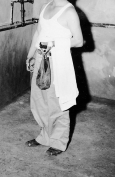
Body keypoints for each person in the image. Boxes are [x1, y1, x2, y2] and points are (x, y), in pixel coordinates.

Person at [26, 0, 83, 156]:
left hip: (57, 61)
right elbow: (38, 33)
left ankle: (58, 141)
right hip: (40, 57)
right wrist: (30, 55)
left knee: (58, 103)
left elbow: (78, 40)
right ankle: (45, 137)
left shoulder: (69, 11)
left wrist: (53, 43)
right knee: (39, 100)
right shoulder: (46, 6)